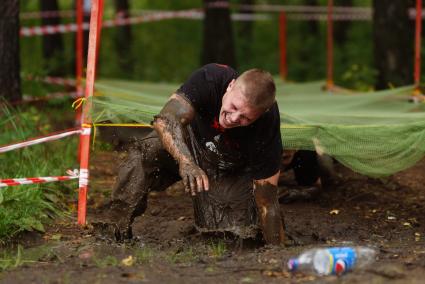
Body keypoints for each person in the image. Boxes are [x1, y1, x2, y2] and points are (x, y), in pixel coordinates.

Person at [94, 63, 285, 245]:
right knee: (145, 151)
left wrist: (276, 251)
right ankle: (115, 227)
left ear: (259, 115)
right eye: (234, 107)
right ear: (231, 86)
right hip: (186, 142)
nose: (233, 118)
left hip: (226, 167)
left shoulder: (267, 124)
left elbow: (267, 198)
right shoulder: (211, 77)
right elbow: (165, 120)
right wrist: (186, 161)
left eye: (245, 118)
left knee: (230, 237)